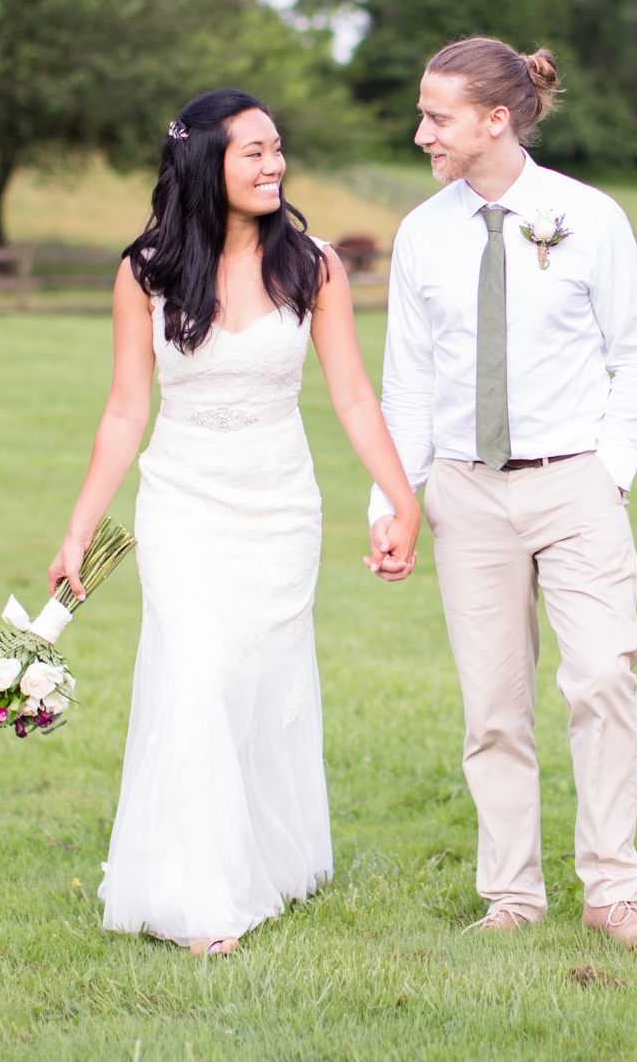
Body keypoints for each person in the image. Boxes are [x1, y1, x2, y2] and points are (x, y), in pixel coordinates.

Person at [49, 88, 422, 956]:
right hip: (182, 502)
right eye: (252, 150)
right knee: (199, 672)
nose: (274, 164)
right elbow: (122, 411)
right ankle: (202, 898)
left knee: (260, 685)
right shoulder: (145, 270)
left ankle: (266, 857)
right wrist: (79, 527)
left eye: (278, 147)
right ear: (203, 161)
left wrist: (401, 498)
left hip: (280, 507)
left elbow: (354, 395)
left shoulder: (315, 265)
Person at [366, 39, 637, 951]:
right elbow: (407, 383)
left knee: (603, 675)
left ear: (497, 119)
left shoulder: (588, 216)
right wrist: (394, 500)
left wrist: (610, 471)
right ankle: (511, 894)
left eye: (438, 117)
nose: (422, 132)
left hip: (576, 484)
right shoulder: (422, 232)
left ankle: (613, 890)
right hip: (466, 493)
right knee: (493, 703)